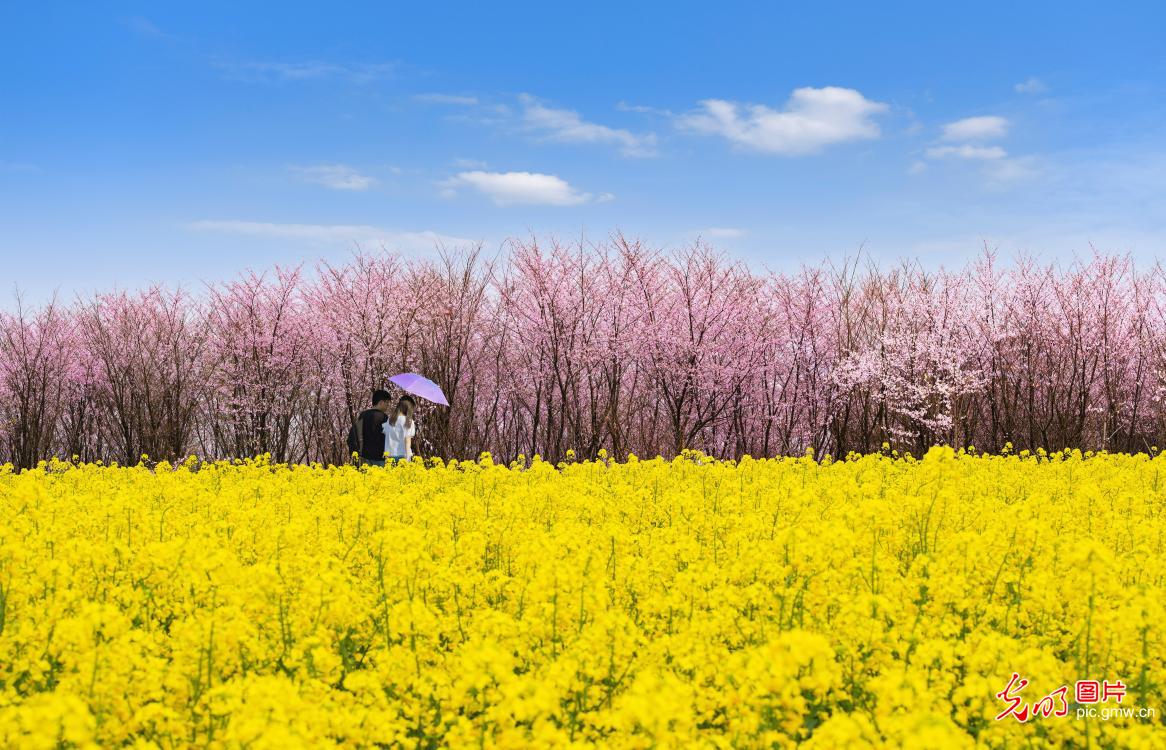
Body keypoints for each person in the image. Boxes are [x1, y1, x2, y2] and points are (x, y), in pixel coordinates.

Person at [349, 389, 392, 467]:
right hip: (381, 460)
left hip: (365, 459)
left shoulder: (363, 416)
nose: (387, 407)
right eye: (387, 404)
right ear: (381, 402)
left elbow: (352, 436)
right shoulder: (384, 418)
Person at [383, 395, 416, 463]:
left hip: (389, 456)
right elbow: (407, 440)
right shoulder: (408, 421)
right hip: (403, 456)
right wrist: (408, 458)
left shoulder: (389, 420)